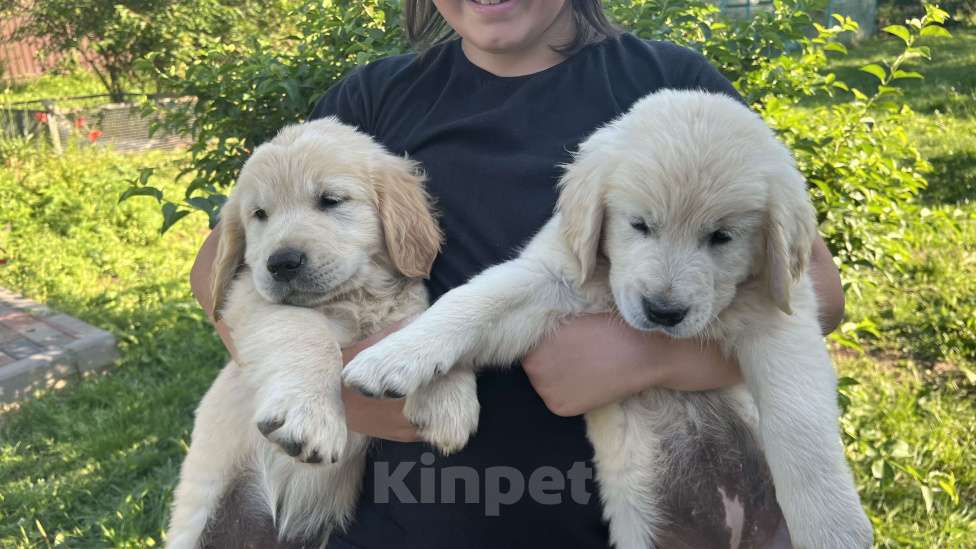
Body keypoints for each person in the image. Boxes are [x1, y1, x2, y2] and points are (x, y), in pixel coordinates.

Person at [189, 1, 845, 547]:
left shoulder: (662, 86)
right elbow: (219, 271)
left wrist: (651, 358)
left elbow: (814, 290)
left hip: (626, 524)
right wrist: (312, 381)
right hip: (394, 525)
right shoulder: (377, 98)